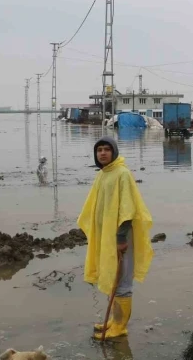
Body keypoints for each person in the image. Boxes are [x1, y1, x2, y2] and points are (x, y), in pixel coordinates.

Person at [77, 136, 154, 340]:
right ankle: (114, 320)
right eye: (99, 150)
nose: (102, 153)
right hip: (107, 237)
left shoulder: (122, 174)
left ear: (114, 152)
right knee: (112, 276)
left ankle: (120, 326)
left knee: (122, 282)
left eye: (106, 149)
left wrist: (121, 238)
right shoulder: (104, 174)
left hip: (121, 236)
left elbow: (127, 209)